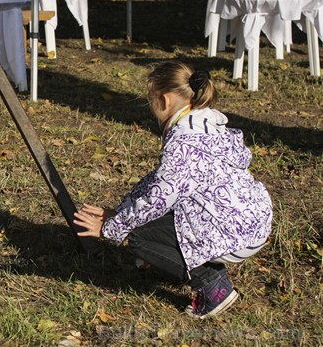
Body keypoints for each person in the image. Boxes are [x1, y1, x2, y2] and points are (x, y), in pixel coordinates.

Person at [74, 61, 272, 319]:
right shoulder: (204, 121)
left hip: (233, 230)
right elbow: (158, 183)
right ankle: (187, 259)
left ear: (164, 101)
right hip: (251, 219)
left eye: (151, 99)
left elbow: (157, 199)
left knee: (139, 237)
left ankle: (212, 285)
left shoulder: (183, 141)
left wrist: (113, 228)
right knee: (146, 220)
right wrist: (121, 212)